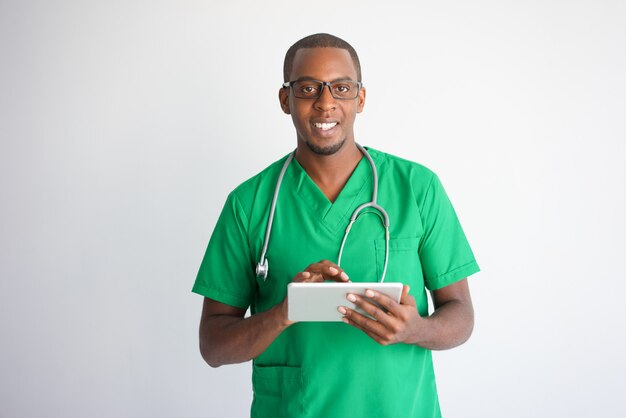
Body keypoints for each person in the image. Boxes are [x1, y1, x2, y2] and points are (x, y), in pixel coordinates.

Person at [193, 33, 480, 418]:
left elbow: (460, 315)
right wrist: (284, 312)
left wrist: (416, 330)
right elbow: (213, 345)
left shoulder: (417, 187)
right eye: (308, 88)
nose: (325, 103)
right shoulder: (249, 204)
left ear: (360, 99)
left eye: (341, 88)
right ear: (285, 99)